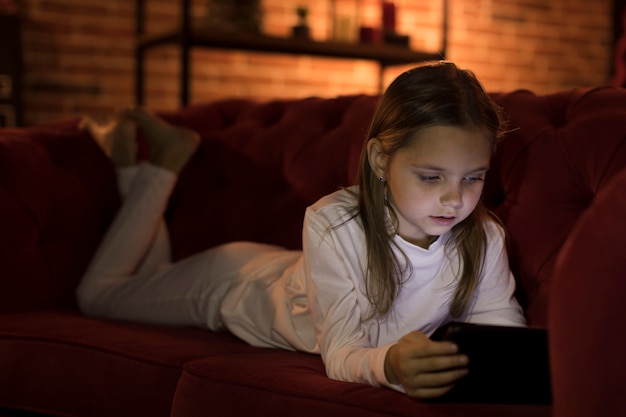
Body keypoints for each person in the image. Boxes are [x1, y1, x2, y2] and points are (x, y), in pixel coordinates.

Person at [76, 61, 525, 400]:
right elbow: (343, 354)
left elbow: (504, 336)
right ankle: (157, 169)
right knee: (99, 295)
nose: (455, 199)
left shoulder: (483, 237)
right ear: (380, 161)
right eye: (432, 177)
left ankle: (133, 167)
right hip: (236, 286)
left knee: (144, 280)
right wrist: (390, 365)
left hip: (290, 273)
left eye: (474, 177)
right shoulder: (334, 222)